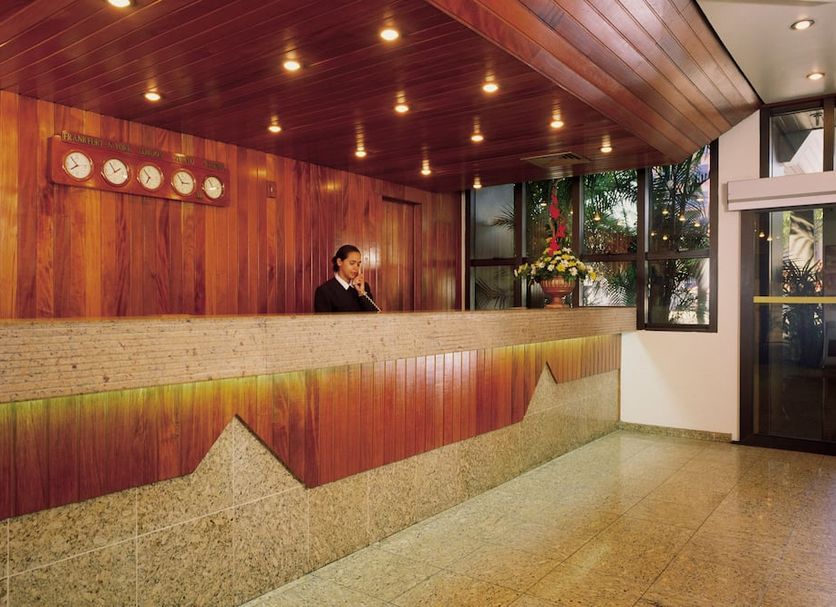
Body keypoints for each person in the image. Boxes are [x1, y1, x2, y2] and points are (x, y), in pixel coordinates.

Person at [314, 244, 380, 312]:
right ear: (339, 262)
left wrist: (361, 293)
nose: (356, 268)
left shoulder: (363, 287)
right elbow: (323, 318)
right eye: (352, 263)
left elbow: (374, 314)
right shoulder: (324, 291)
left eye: (358, 264)